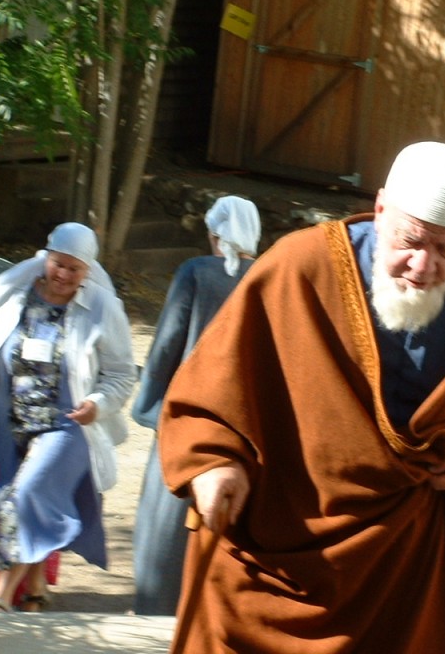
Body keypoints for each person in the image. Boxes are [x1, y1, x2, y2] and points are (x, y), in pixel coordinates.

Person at [158, 141, 445, 652]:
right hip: (288, 551)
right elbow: (212, 389)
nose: (423, 266)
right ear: (379, 209)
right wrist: (214, 464)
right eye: (410, 241)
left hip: (417, 563)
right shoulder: (298, 269)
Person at [0, 223, 135, 612]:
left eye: (74, 269)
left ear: (88, 271)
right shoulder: (13, 294)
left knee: (28, 493)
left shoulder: (102, 308)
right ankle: (37, 585)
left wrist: (98, 403)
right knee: (13, 497)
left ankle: (1, 596)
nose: (63, 275)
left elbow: (122, 373)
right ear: (46, 258)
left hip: (68, 424)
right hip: (11, 421)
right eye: (58, 264)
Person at [131, 195, 261, 615]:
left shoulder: (196, 273)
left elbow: (167, 344)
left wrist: (150, 407)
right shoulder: (270, 278)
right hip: (245, 432)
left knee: (164, 527)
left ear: (214, 234)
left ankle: (157, 614)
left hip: (186, 420)